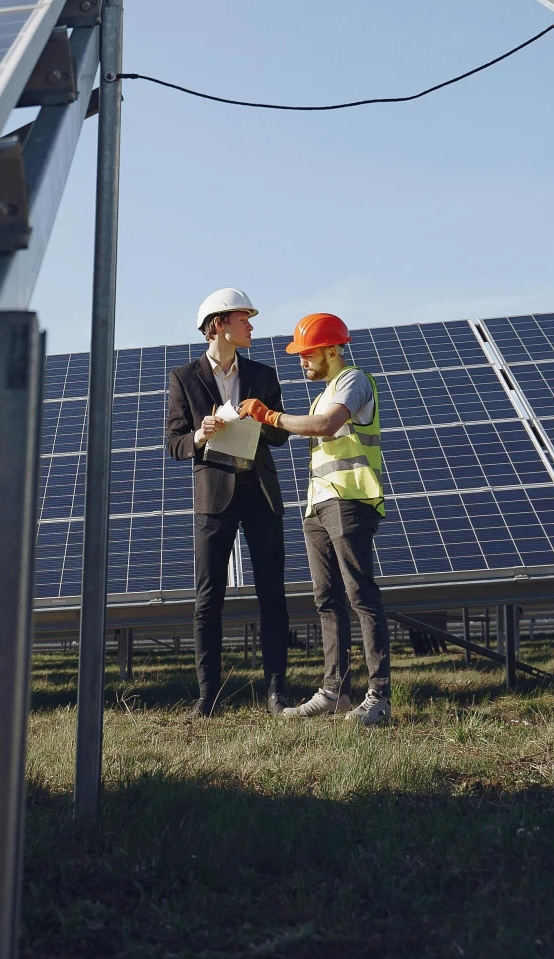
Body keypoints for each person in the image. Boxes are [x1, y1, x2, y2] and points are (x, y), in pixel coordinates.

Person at [243, 312, 390, 726]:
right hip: (319, 507)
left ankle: (379, 697)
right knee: (327, 600)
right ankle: (335, 692)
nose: (302, 362)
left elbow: (326, 427)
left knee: (361, 596)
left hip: (349, 501)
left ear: (331, 350)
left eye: (307, 354)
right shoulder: (325, 390)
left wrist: (270, 416)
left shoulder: (352, 381)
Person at [164, 288, 294, 716]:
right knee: (208, 600)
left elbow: (280, 434)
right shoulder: (184, 378)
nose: (251, 326)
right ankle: (209, 697)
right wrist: (201, 434)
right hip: (214, 496)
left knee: (272, 595)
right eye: (244, 319)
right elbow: (175, 443)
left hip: (259, 493)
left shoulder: (264, 375)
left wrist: (261, 416)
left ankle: (276, 692)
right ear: (219, 324)